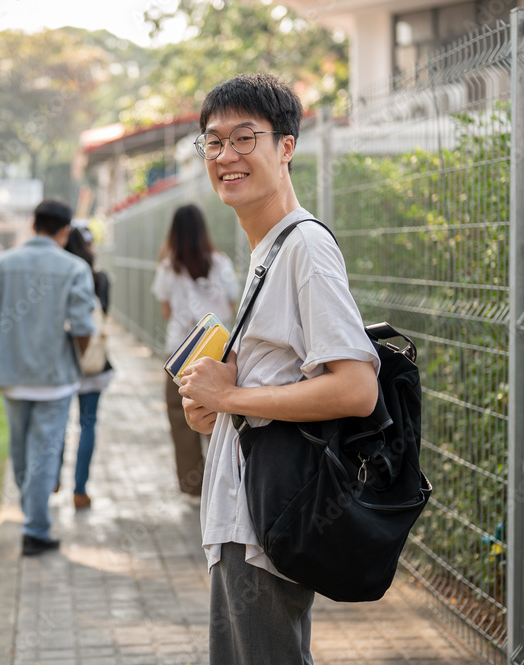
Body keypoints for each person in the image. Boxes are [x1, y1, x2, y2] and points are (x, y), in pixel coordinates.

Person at [178, 74, 380, 664]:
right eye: (213, 143)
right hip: (243, 517)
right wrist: (216, 406)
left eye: (245, 138)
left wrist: (233, 399)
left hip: (263, 523)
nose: (226, 156)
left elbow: (355, 387)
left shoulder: (304, 249)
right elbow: (275, 383)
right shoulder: (267, 248)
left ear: (286, 146)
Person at [0, 199, 95, 556]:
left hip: (10, 375)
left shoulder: (3, 264)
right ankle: (36, 529)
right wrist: (82, 359)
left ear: (31, 224)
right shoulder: (75, 268)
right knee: (44, 453)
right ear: (64, 230)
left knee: (21, 452)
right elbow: (83, 326)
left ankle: (32, 517)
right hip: (55, 378)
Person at [151, 204, 238, 501]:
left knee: (182, 417)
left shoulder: (167, 267)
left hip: (179, 354)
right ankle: (224, 483)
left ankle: (194, 486)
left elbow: (165, 310)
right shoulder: (220, 262)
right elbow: (234, 301)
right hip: (219, 354)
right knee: (221, 417)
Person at [59, 221, 115, 510]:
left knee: (57, 423)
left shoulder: (59, 275)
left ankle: (54, 477)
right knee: (88, 423)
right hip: (93, 364)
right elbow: (104, 313)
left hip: (62, 361)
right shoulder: (100, 279)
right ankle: (80, 490)